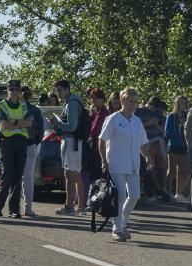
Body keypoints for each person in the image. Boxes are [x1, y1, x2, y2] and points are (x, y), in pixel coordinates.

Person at [98, 88, 150, 242]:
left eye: (135, 101)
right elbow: (101, 140)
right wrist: (104, 160)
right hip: (116, 163)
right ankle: (117, 229)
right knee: (120, 196)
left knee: (134, 195)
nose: (132, 104)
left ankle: (123, 222)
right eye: (129, 101)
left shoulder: (137, 121)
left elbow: (142, 143)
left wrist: (147, 157)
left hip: (133, 164)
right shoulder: (113, 119)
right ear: (122, 101)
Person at [0, 80, 32, 218]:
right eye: (12, 89)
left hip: (21, 142)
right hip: (7, 142)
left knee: (17, 176)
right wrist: (19, 124)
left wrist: (14, 123)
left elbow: (29, 122)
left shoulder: (24, 105)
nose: (14, 92)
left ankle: (14, 210)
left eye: (17, 89)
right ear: (7, 91)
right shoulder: (1, 105)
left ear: (20, 91)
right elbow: (4, 125)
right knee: (8, 175)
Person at [51, 80, 87, 215]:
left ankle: (77, 207)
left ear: (67, 89)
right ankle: (72, 206)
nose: (58, 93)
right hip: (71, 142)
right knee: (70, 174)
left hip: (72, 142)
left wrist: (58, 123)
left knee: (74, 174)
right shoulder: (70, 102)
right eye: (57, 90)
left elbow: (72, 126)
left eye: (60, 90)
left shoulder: (72, 103)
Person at [21, 86, 44, 218]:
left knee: (17, 176)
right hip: (31, 145)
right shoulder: (35, 110)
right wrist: (35, 143)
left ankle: (14, 207)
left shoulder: (16, 109)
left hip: (19, 145)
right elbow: (40, 131)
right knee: (28, 177)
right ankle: (27, 208)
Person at [165, 95, 190, 199]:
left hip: (184, 146)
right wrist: (179, 130)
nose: (183, 105)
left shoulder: (187, 116)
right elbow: (167, 133)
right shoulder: (171, 116)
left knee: (183, 171)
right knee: (172, 171)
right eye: (181, 103)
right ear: (177, 104)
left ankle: (178, 193)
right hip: (174, 145)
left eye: (184, 103)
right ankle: (167, 192)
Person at [85, 88, 109, 182]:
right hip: (94, 146)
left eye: (95, 98)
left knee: (96, 176)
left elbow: (94, 131)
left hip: (97, 148)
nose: (93, 101)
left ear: (102, 99)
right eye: (92, 98)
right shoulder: (97, 113)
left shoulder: (103, 113)